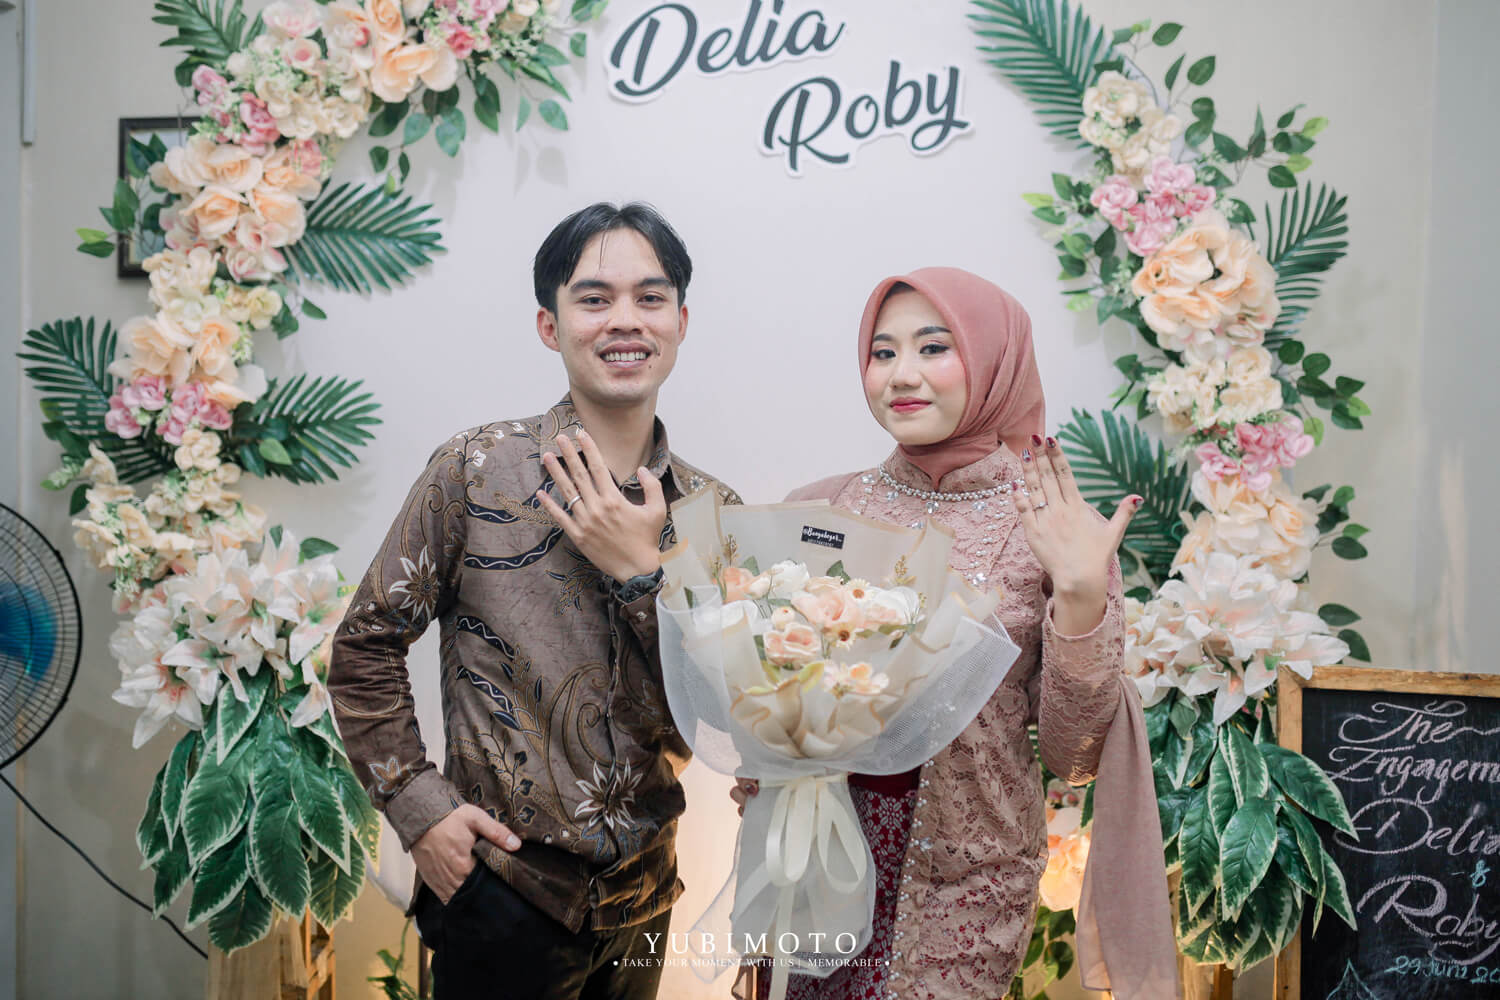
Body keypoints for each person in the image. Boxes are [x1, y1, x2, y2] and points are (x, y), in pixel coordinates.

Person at [328, 202, 740, 1000]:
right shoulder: (477, 469)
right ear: (551, 326)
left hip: (646, 898)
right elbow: (365, 644)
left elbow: (723, 711)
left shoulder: (712, 514)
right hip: (501, 891)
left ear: (681, 323)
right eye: (595, 299)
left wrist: (645, 577)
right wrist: (419, 808)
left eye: (650, 298)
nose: (626, 320)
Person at [732, 268, 1178, 999]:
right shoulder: (820, 508)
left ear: (996, 363)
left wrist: (1081, 596)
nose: (901, 374)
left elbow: (1074, 755)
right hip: (810, 858)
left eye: (934, 348)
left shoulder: (1058, 530)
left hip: (963, 880)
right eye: (882, 352)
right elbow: (764, 697)